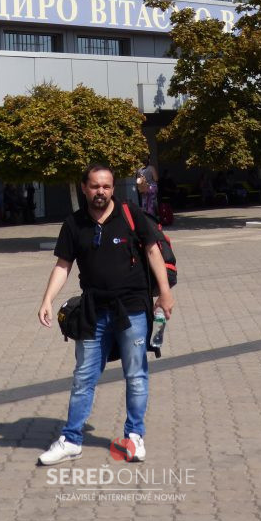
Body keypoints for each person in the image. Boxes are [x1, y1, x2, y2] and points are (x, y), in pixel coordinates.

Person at [37, 163, 174, 465]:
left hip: (132, 309)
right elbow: (63, 265)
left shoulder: (130, 214)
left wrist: (164, 292)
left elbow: (153, 250)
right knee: (83, 377)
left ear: (113, 188)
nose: (101, 191)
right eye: (95, 186)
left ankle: (134, 436)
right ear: (84, 188)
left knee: (135, 375)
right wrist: (47, 299)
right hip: (93, 311)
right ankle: (72, 440)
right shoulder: (74, 224)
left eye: (107, 186)